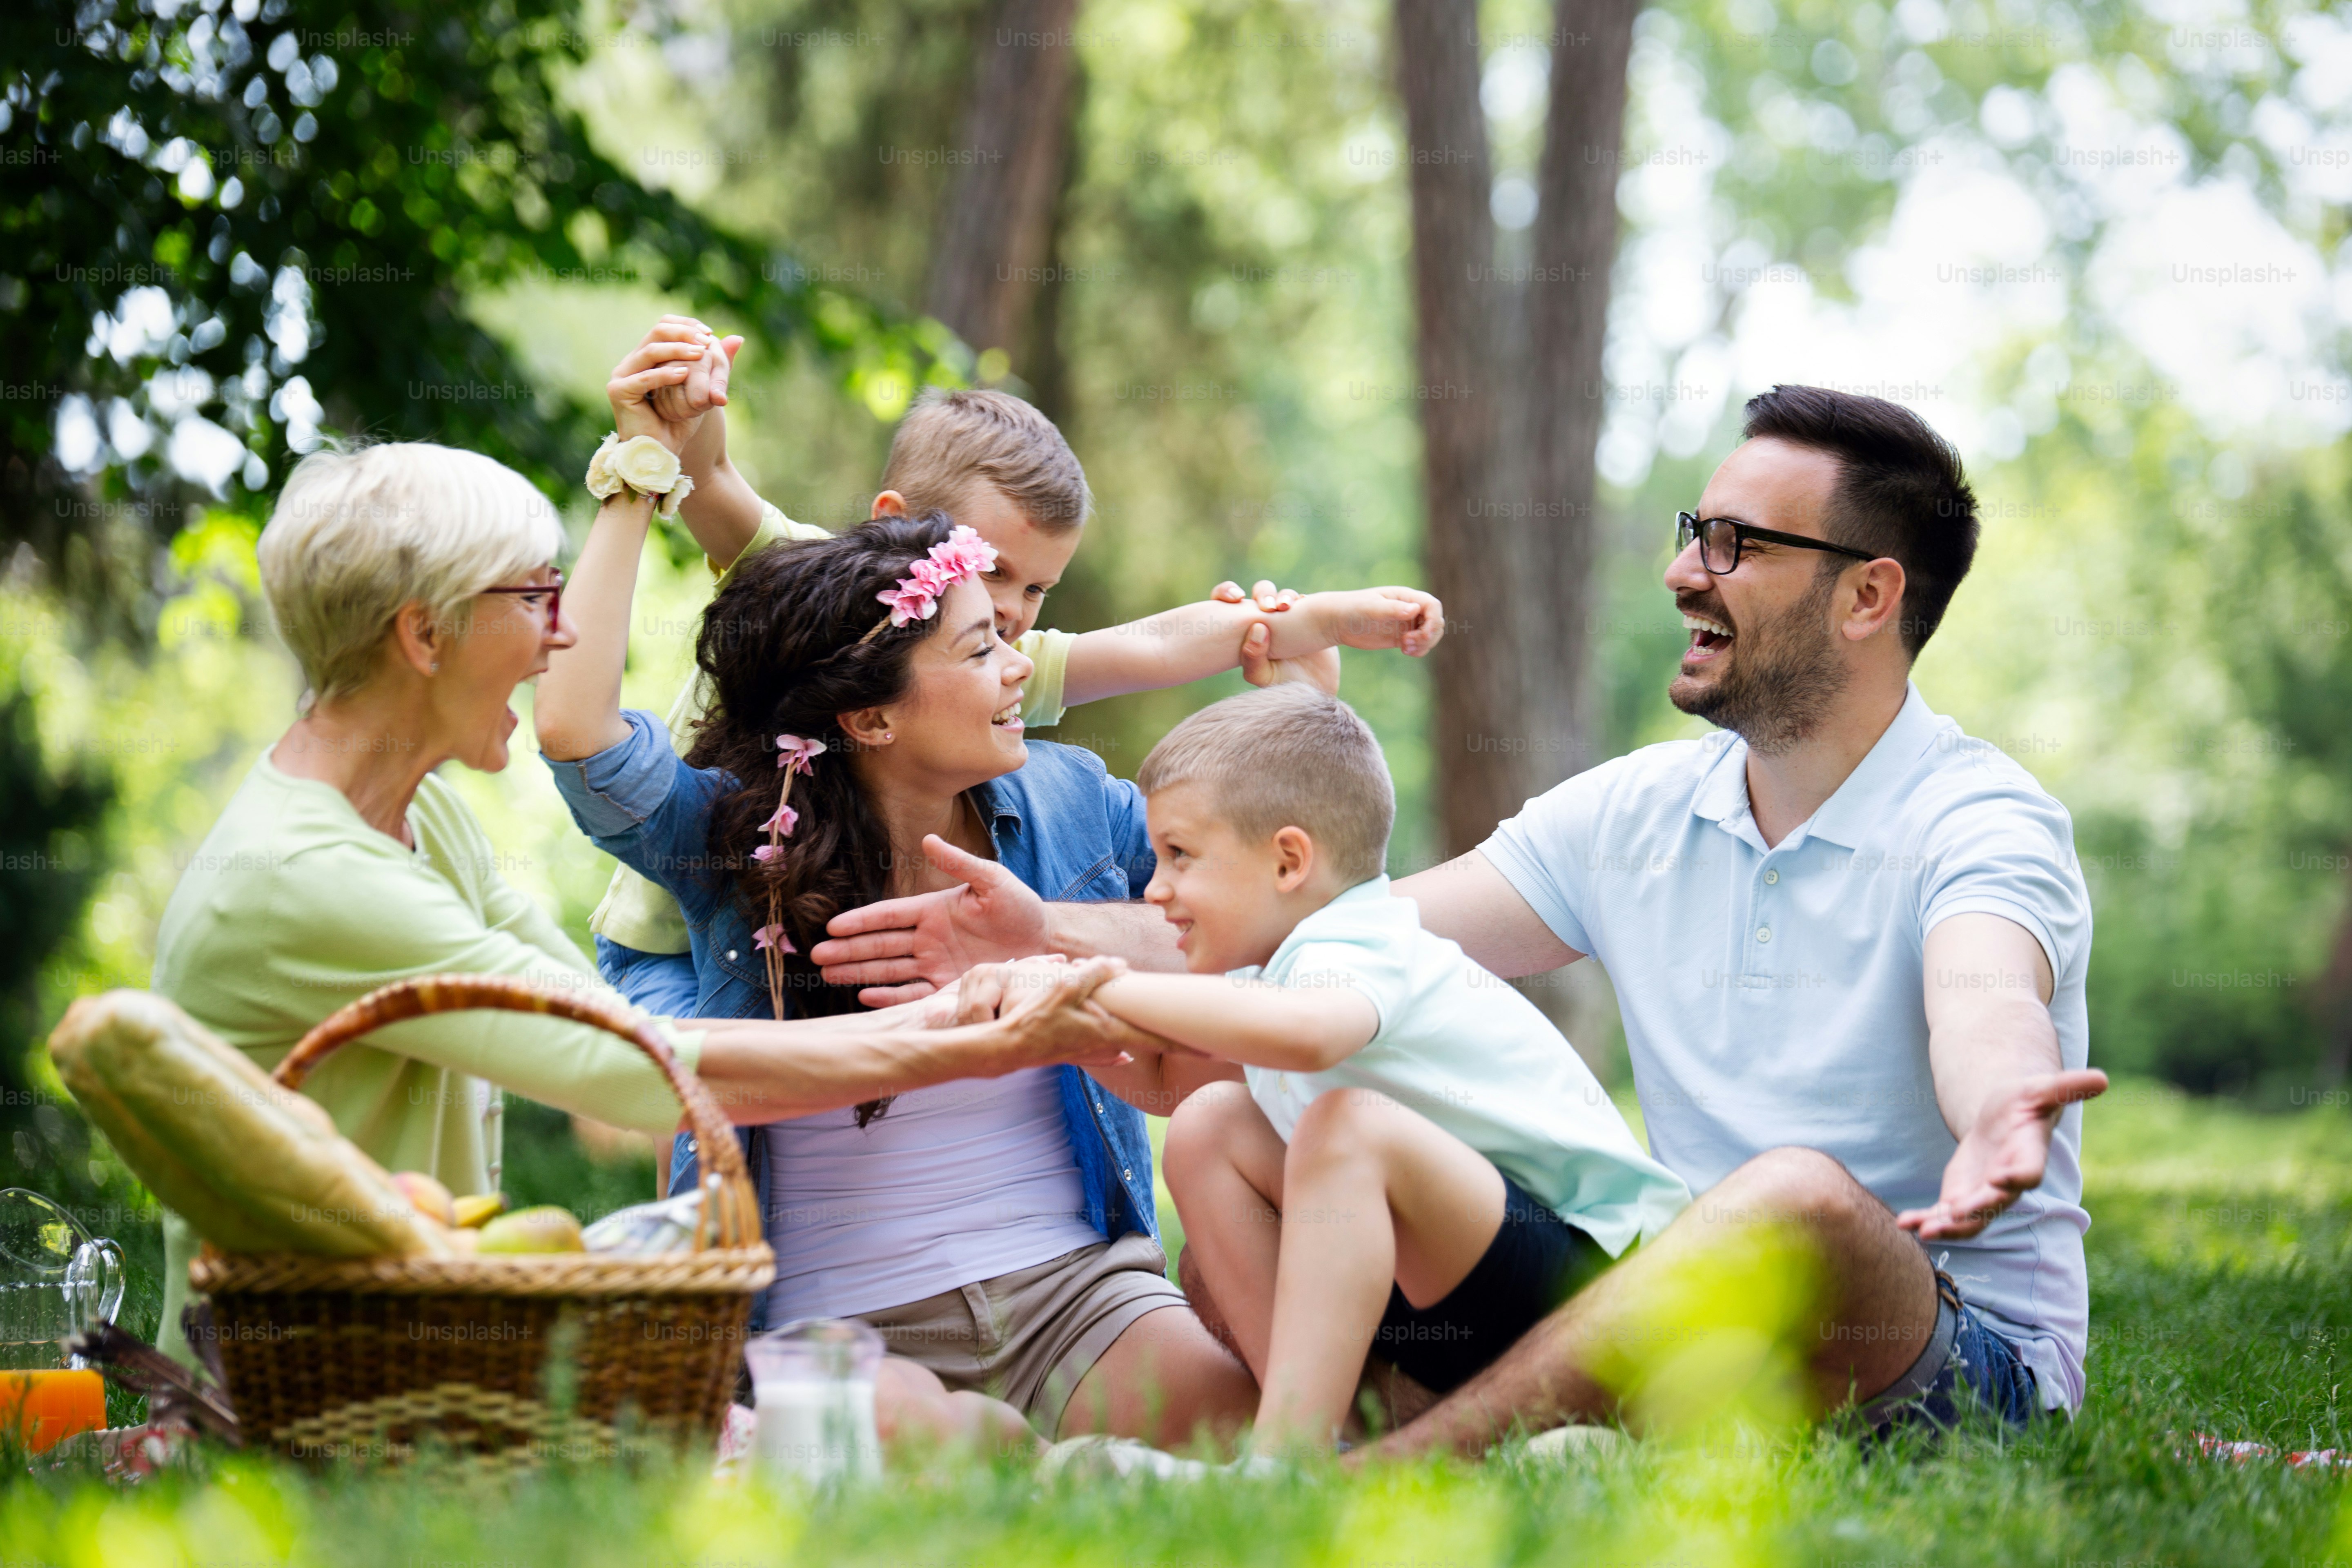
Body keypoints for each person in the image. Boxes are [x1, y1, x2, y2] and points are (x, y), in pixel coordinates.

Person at [804, 384, 2112, 1449]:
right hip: (1670, 1318)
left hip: (1932, 1350)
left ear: (1870, 596)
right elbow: (1329, 930)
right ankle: (1359, 1442)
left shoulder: (1978, 820)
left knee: (1803, 1201)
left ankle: (1398, 1473)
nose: (1682, 572)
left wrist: (2000, 1102)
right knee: (1225, 1112)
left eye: (1736, 546)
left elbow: (1985, 996)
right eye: (1691, 530)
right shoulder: (1640, 813)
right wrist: (1048, 934)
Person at [147, 439, 1136, 1372]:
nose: (565, 630)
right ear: (424, 634)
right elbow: (626, 1069)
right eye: (536, 596)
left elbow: (595, 1020)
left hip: (414, 1358)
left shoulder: (424, 818)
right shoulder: (310, 877)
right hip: (294, 1391)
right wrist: (975, 1032)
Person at [532, 381, 1271, 1448]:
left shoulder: (1078, 801)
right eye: (980, 650)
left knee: (1257, 1441)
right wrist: (639, 472)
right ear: (871, 713)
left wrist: (1048, 933)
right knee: (927, 1442)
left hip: (1075, 1297)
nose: (1023, 662)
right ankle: (1011, 1453)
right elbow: (575, 728)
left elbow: (1252, 944)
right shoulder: (739, 838)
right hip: (841, 1331)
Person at [590, 317, 1444, 1018]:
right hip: (665, 930)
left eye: (1039, 588)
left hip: (807, 929)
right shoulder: (806, 576)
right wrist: (691, 394)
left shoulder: (992, 663)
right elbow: (705, 474)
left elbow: (1147, 647)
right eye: (995, 570)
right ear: (899, 521)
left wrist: (1313, 620)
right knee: (704, 1105)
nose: (1012, 612)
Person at [1048, 684, 1690, 1455]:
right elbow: (1166, 1079)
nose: (1156, 889)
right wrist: (1066, 1031)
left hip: (1603, 1301)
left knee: (1348, 1127)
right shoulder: (1280, 978)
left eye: (1180, 856)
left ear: (1289, 860)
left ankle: (1283, 1458)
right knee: (1206, 1127)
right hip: (1469, 1293)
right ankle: (1330, 1445)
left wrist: (1101, 985)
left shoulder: (1359, 944)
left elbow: (1313, 1035)